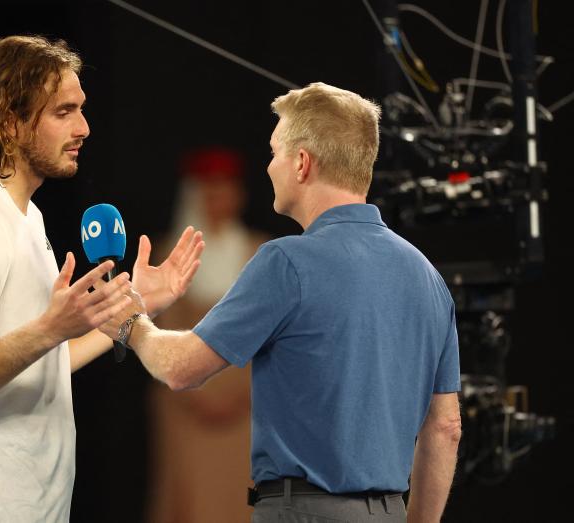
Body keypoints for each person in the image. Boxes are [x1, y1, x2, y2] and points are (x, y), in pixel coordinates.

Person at [101, 82, 462, 522]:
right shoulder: (428, 277)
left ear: (302, 163)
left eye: (274, 153)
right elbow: (445, 427)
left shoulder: (285, 261)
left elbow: (180, 369)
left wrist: (130, 321)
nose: (269, 168)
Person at [0, 35, 203, 522]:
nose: (84, 127)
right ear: (10, 123)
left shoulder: (27, 219)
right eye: (63, 112)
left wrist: (135, 307)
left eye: (82, 110)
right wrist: (50, 327)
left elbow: (36, 364)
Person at [147, 147, 267, 523]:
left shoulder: (261, 252)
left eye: (225, 188)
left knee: (238, 497)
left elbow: (270, 334)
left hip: (246, 407)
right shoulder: (171, 253)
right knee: (189, 497)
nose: (217, 199)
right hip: (185, 406)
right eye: (208, 189)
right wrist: (194, 391)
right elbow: (159, 329)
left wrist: (241, 393)